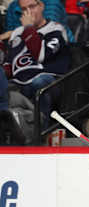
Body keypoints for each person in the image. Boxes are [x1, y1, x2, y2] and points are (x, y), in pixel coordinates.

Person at [1, 0, 70, 128]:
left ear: (42, 6)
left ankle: (40, 129)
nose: (28, 12)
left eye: (32, 6)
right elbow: (8, 65)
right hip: (19, 81)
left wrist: (28, 29)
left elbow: (41, 56)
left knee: (39, 82)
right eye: (24, 9)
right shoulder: (16, 33)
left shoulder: (56, 29)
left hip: (48, 79)